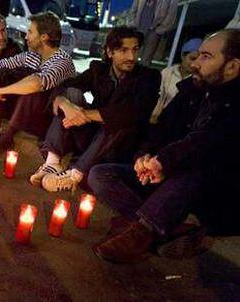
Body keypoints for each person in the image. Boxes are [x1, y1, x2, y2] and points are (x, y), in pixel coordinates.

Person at [88, 29, 240, 263]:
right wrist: (145, 155)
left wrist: (163, 161)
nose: (196, 63)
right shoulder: (194, 88)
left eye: (207, 57)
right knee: (101, 174)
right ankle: (162, 229)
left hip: (208, 191)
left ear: (231, 67)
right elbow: (161, 128)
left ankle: (141, 231)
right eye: (197, 55)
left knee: (196, 168)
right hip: (168, 174)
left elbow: (206, 142)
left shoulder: (234, 103)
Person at [30, 27, 161, 193]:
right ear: (110, 51)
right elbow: (66, 86)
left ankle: (75, 175)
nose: (131, 57)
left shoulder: (149, 77)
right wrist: (63, 102)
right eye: (123, 50)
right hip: (92, 137)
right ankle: (52, 164)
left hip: (119, 143)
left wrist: (83, 114)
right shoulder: (99, 70)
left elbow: (130, 112)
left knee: (117, 121)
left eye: (135, 50)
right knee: (70, 94)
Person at [0, 11, 76, 153]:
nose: (26, 37)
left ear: (43, 37)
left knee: (33, 84)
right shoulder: (31, 56)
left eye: (30, 32)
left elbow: (36, 84)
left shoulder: (62, 61)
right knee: (1, 74)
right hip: (24, 112)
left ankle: (8, 136)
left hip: (49, 120)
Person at [150, 38, 202, 123]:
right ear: (182, 56)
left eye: (198, 61)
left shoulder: (197, 80)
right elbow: (158, 97)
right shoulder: (168, 72)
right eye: (192, 58)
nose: (194, 64)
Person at [128, 0, 178, 66]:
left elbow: (171, 16)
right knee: (132, 54)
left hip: (153, 31)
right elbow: (133, 10)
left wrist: (159, 30)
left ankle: (142, 75)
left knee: (146, 59)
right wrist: (132, 24)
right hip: (138, 30)